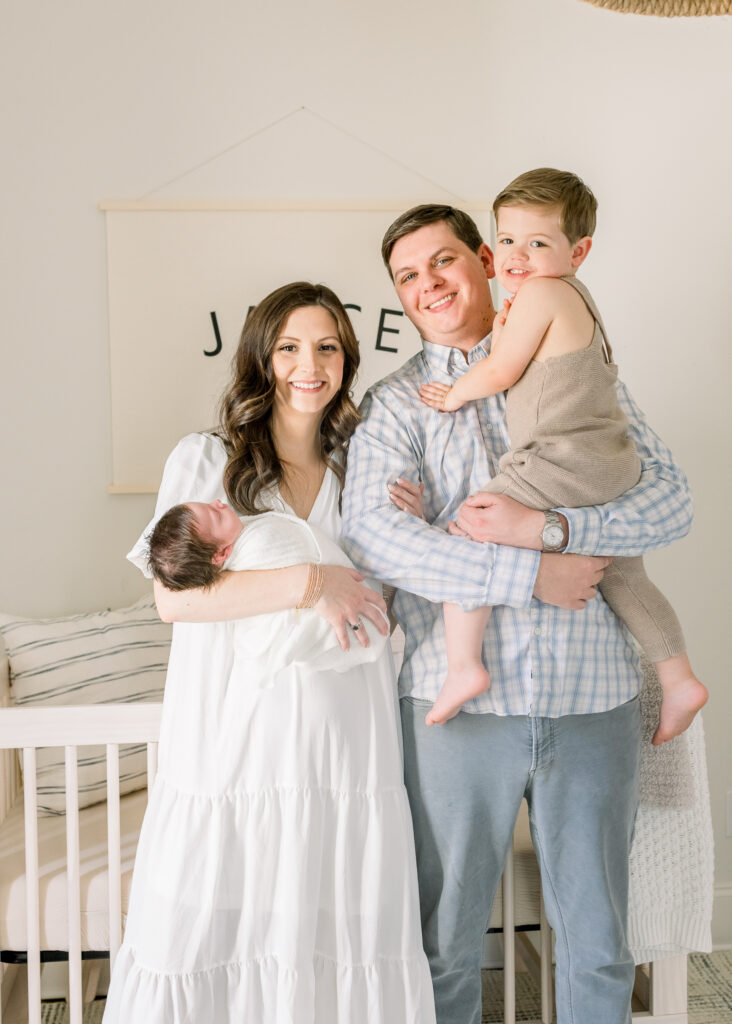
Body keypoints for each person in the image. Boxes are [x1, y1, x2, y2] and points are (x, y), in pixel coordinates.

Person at [340, 204, 693, 1024]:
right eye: (407, 276)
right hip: (455, 709)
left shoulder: (574, 370)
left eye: (443, 262)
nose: (428, 284)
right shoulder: (395, 406)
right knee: (445, 942)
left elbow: (671, 503)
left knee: (600, 943)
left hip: (592, 698)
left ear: (487, 263)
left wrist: (553, 529)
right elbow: (377, 539)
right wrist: (532, 574)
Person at [103, 282, 437, 1024]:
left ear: (347, 359)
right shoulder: (207, 459)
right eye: (288, 347)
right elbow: (175, 600)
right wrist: (308, 580)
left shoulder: (365, 463)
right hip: (237, 731)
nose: (307, 366)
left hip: (346, 729)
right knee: (219, 915)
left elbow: (386, 591)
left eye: (326, 347)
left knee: (335, 917)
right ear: (262, 357)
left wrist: (420, 523)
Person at [417, 168, 706, 738]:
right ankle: (679, 679)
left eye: (537, 243)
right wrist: (504, 324)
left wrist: (454, 393)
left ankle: (463, 666)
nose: (516, 257)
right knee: (622, 575)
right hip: (607, 463)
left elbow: (500, 371)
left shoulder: (544, 293)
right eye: (506, 241)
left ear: (579, 250)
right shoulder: (565, 298)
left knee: (471, 526)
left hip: (562, 458)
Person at [147, 499, 387, 674]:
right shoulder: (255, 547)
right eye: (216, 515)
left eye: (210, 504)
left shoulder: (242, 532)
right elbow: (169, 606)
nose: (219, 503)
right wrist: (315, 582)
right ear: (221, 554)